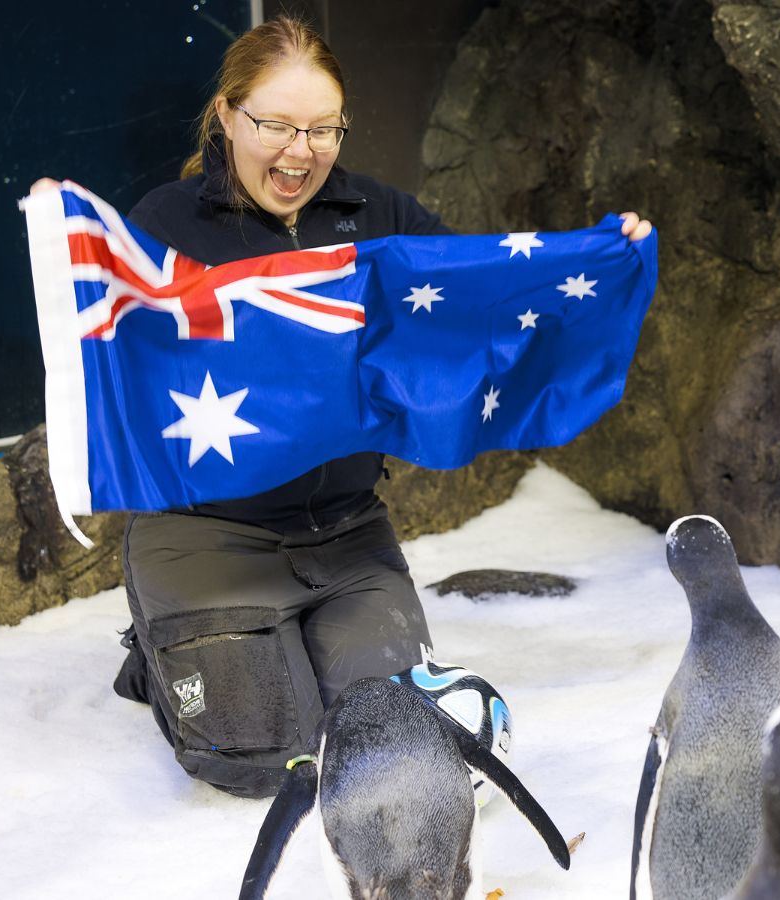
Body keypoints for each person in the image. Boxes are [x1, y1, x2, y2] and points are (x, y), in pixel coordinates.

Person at [34, 15, 650, 799]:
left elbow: (478, 301)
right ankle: (159, 658)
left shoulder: (380, 217)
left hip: (346, 533)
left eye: (323, 130)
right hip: (208, 534)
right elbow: (112, 339)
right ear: (226, 116)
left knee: (393, 736)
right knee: (263, 766)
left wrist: (600, 257)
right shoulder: (166, 224)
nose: (301, 152)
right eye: (276, 126)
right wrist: (70, 241)